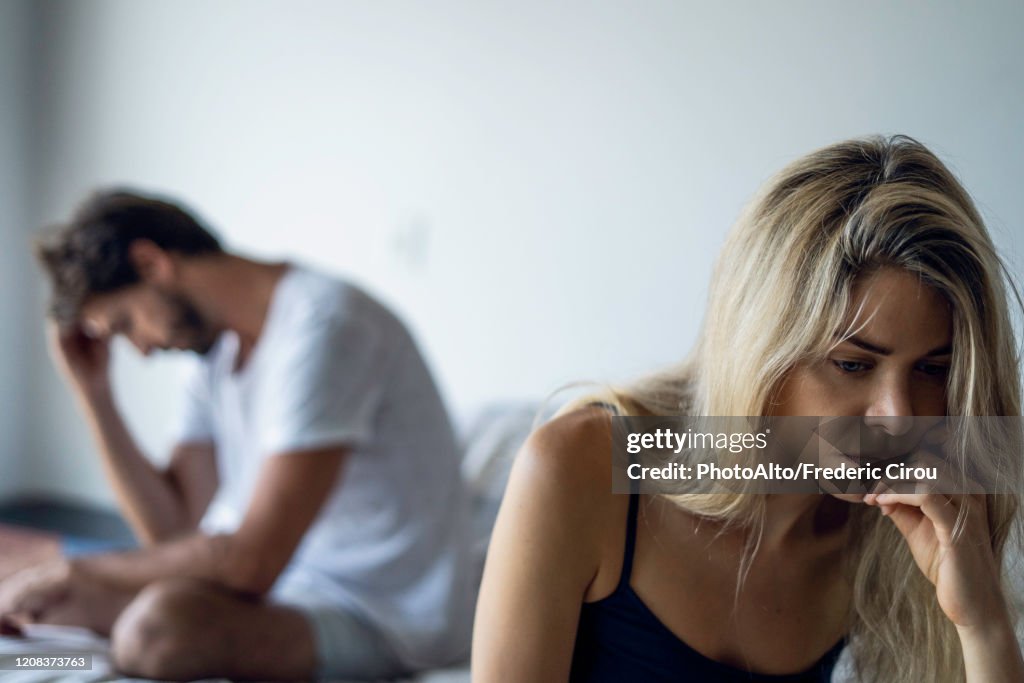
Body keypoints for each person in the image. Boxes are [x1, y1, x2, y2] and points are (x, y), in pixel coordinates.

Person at [472, 135, 1024, 682]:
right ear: (762, 349)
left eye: (932, 369)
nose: (898, 419)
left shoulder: (895, 527)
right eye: (853, 364)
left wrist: (983, 624)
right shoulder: (584, 468)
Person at [0, 190, 474, 681]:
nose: (140, 350)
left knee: (154, 632)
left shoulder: (327, 326)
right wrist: (94, 396)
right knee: (53, 606)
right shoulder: (215, 353)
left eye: (126, 323)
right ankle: (66, 656)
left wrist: (84, 568)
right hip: (280, 588)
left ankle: (93, 654)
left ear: (150, 263)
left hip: (381, 612)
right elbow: (173, 532)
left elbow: (251, 561)